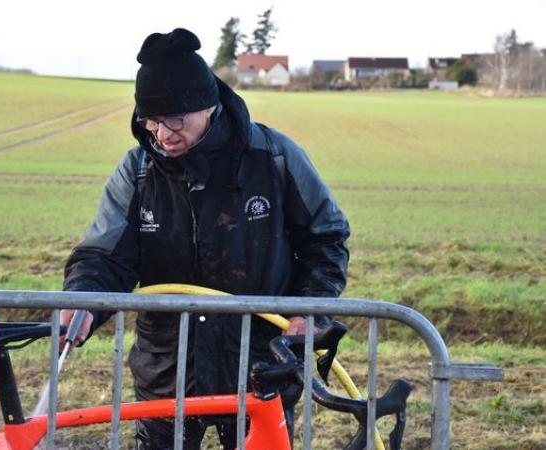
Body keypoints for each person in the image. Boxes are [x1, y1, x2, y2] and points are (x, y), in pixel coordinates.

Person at [62, 27, 350, 449]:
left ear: (208, 106)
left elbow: (326, 239)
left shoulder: (274, 159)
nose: (162, 134)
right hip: (167, 368)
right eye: (151, 121)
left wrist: (310, 311)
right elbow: (105, 256)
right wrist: (82, 300)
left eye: (174, 119)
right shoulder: (138, 171)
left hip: (261, 363)